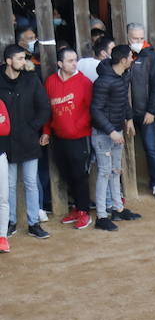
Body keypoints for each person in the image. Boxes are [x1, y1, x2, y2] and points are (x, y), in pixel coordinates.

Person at [0, 45, 51, 242]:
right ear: (9, 61)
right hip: (6, 141)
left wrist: (33, 127)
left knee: (31, 183)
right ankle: (11, 222)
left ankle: (33, 223)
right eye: (20, 58)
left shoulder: (31, 79)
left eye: (24, 58)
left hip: (29, 138)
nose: (24, 62)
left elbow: (44, 107)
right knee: (9, 185)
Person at [89, 45, 139, 231]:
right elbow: (95, 110)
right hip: (105, 133)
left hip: (114, 130)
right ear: (123, 60)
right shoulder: (103, 82)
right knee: (104, 172)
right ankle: (102, 215)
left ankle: (117, 208)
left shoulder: (122, 76)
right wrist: (111, 131)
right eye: (130, 57)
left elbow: (123, 100)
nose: (132, 59)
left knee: (115, 170)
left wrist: (130, 119)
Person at [43, 47, 94, 230]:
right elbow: (47, 110)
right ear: (60, 64)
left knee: (80, 174)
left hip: (79, 137)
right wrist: (46, 131)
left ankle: (84, 211)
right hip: (59, 137)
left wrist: (77, 127)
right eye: (70, 61)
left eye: (75, 60)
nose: (74, 64)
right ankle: (76, 207)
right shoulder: (50, 82)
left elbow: (90, 109)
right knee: (66, 173)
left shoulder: (84, 82)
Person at [126, 24, 155, 200]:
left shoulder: (151, 56)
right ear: (127, 37)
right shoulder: (121, 55)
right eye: (135, 38)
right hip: (125, 113)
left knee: (151, 148)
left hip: (145, 113)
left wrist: (152, 111)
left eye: (141, 38)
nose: (138, 42)